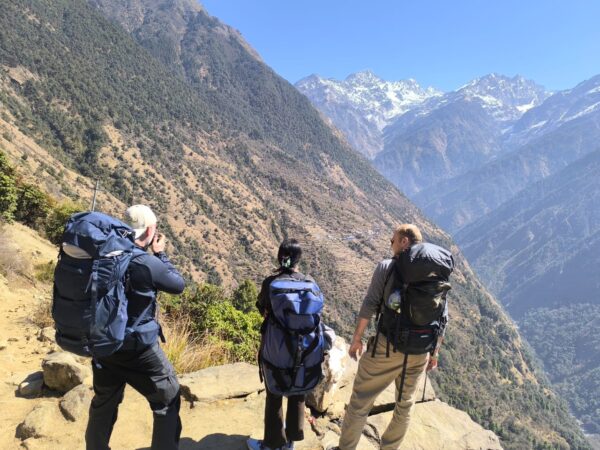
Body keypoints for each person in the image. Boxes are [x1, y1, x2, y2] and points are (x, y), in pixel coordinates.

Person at [338, 224, 448, 450]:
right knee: (405, 406)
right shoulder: (435, 276)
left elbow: (370, 304)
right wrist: (434, 354)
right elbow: (442, 318)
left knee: (360, 401)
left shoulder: (387, 267)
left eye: (393, 240)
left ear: (404, 242)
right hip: (420, 353)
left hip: (387, 347)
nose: (391, 244)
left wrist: (357, 338)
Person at [85, 205, 186, 450]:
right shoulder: (147, 263)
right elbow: (177, 285)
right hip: (139, 348)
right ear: (150, 230)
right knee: (168, 398)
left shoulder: (104, 254)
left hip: (105, 344)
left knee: (104, 401)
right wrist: (161, 254)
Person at [247, 238, 312, 450]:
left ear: (279, 257)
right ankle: (291, 440)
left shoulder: (271, 283)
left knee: (274, 394)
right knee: (297, 391)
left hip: (275, 348)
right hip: (302, 350)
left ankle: (272, 444)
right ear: (298, 259)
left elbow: (261, 307)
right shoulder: (309, 283)